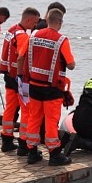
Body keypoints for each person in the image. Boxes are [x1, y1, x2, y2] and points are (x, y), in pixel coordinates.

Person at [18, 8, 75, 166]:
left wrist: (20, 77)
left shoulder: (33, 35)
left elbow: (21, 57)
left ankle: (32, 152)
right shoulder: (61, 40)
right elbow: (70, 65)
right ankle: (55, 154)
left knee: (33, 118)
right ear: (60, 22)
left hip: (34, 85)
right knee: (51, 121)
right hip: (52, 89)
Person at [0, 7, 40, 153]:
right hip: (19, 78)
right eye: (34, 22)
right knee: (26, 110)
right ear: (28, 20)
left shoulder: (11, 30)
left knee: (10, 108)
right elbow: (22, 57)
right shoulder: (22, 36)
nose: (35, 26)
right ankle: (23, 143)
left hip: (8, 75)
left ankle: (6, 139)